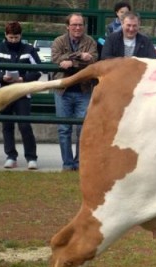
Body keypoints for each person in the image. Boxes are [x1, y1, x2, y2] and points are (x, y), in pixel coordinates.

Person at [0, 21, 42, 170]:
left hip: (22, 91)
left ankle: (31, 157)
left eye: (16, 37)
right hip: (3, 91)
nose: (13, 40)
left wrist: (23, 79)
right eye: (10, 37)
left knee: (24, 125)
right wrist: (1, 77)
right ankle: (11, 156)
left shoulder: (29, 50)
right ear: (5, 35)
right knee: (7, 125)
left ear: (21, 36)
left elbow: (38, 70)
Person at [52, 13, 98, 172]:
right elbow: (55, 59)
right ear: (67, 26)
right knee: (64, 129)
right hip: (62, 91)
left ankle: (79, 163)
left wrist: (71, 61)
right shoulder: (58, 41)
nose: (78, 27)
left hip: (83, 90)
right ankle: (67, 163)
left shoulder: (90, 41)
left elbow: (92, 60)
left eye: (80, 24)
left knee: (82, 129)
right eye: (74, 25)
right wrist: (80, 57)